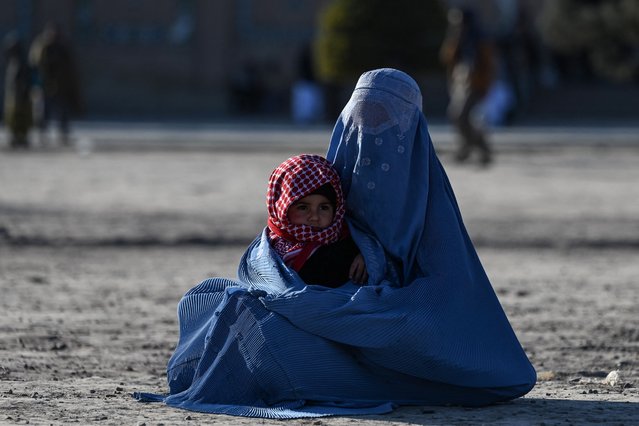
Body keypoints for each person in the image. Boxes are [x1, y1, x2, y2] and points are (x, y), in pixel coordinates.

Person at [136, 68, 535, 419]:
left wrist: (376, 290)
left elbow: (446, 295)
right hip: (322, 311)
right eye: (365, 122)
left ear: (413, 128)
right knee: (227, 305)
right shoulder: (327, 181)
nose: (374, 138)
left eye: (388, 124)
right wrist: (311, 300)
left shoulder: (432, 204)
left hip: (402, 328)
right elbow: (273, 253)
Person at [266, 154, 367, 286]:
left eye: (324, 207)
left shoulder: (349, 243)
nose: (314, 217)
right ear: (281, 207)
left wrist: (367, 258)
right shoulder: (268, 246)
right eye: (303, 207)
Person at [440, 7, 496, 165]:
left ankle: (477, 147)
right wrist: (454, 37)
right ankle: (470, 147)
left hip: (475, 84)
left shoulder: (481, 39)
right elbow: (446, 57)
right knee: (456, 116)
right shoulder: (459, 40)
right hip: (459, 82)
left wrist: (485, 86)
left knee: (460, 116)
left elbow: (489, 66)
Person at [29, 23, 82, 146]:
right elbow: (35, 63)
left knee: (62, 111)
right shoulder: (42, 46)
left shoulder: (62, 47)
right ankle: (42, 134)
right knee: (43, 112)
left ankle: (63, 134)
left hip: (60, 86)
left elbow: (69, 67)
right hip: (45, 85)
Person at [3, 33, 33, 149]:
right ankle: (16, 136)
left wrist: (23, 92)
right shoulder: (13, 62)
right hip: (15, 95)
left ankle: (21, 137)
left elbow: (24, 80)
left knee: (20, 117)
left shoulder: (22, 62)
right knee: (13, 117)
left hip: (21, 96)